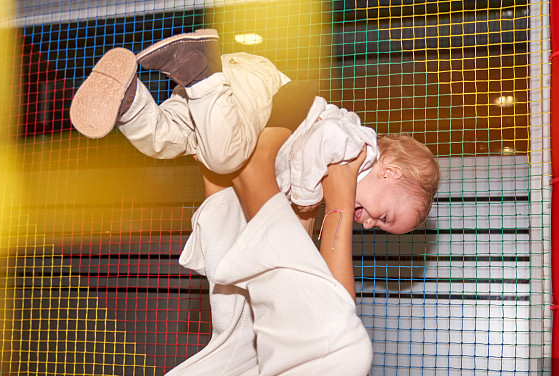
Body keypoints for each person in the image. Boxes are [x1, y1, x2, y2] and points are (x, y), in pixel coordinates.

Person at [71, 122, 547, 376]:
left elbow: (337, 340)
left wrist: (338, 195)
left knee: (339, 353)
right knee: (251, 340)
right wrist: (309, 204)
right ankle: (221, 167)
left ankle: (248, 171)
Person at [69, 29, 440, 234]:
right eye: (384, 217)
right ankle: (200, 66)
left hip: (227, 112)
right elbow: (320, 142)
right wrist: (305, 200)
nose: (370, 223)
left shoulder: (341, 180)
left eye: (378, 227)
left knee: (165, 142)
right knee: (222, 156)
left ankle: (128, 99)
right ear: (390, 172)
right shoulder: (359, 147)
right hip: (255, 91)